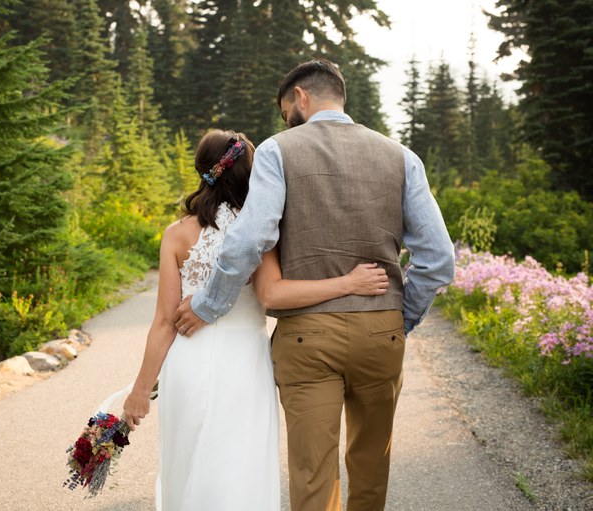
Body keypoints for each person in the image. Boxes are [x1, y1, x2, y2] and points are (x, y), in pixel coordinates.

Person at [173, 60, 455, 510]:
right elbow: (439, 258)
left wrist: (208, 305)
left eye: (288, 113)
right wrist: (399, 317)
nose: (288, 122)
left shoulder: (277, 151)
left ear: (301, 98)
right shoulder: (401, 156)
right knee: (371, 466)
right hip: (380, 333)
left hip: (307, 336)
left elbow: (249, 240)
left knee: (312, 475)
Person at [123, 128, 391, 511]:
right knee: (241, 469)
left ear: (202, 170)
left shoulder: (176, 235)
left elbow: (164, 323)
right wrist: (348, 283)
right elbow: (273, 295)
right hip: (245, 366)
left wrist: (140, 392)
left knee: (186, 468)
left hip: (188, 364)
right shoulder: (262, 231)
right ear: (251, 171)